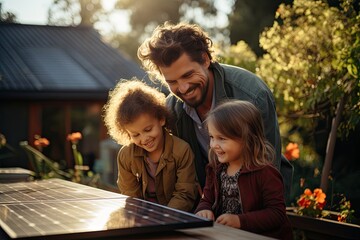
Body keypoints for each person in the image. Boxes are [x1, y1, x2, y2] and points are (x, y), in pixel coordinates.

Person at [137, 22, 293, 199]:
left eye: (188, 75)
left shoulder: (252, 94)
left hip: (258, 206)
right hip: (206, 206)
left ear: (205, 59)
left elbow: (268, 167)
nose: (183, 87)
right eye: (172, 82)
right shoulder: (171, 109)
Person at [195, 100, 292, 239]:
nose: (214, 145)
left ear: (247, 139)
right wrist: (203, 210)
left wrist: (240, 221)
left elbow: (277, 214)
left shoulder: (265, 173)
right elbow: (207, 199)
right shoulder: (215, 169)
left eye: (221, 138)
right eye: (212, 137)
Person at [102, 78, 198, 212]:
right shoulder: (125, 156)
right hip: (143, 217)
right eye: (135, 135)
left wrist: (165, 218)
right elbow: (130, 195)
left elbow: (185, 194)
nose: (144, 139)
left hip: (176, 217)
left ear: (161, 119)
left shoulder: (182, 150)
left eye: (148, 130)